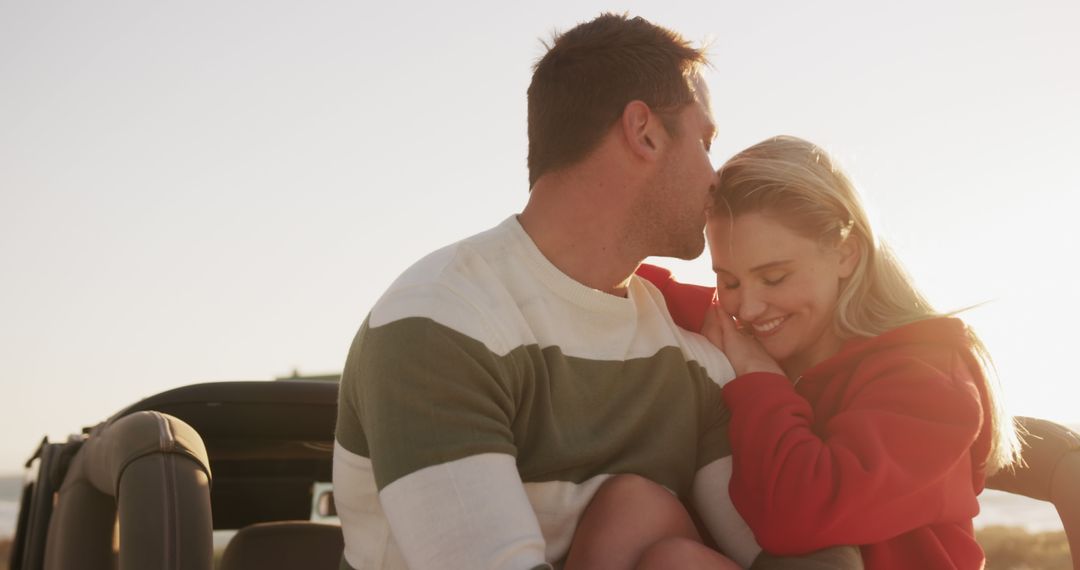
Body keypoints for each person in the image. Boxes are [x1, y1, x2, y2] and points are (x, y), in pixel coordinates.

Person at [332, 14, 860, 570]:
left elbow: (796, 550)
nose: (716, 176)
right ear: (645, 132)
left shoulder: (693, 356)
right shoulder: (444, 320)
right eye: (705, 141)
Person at [601, 135, 1021, 569]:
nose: (746, 306)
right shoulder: (751, 329)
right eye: (729, 281)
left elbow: (799, 517)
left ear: (846, 253)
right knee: (629, 505)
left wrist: (759, 379)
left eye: (774, 277)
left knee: (676, 563)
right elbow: (629, 284)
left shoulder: (931, 378)